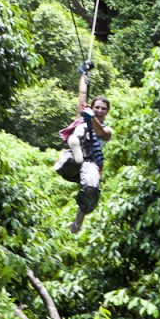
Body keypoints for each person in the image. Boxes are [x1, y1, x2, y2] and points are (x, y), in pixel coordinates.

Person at [54, 76, 112, 233]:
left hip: (90, 163)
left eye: (103, 108)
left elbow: (99, 131)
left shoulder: (106, 131)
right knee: (72, 148)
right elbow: (82, 94)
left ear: (107, 112)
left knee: (91, 190)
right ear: (92, 108)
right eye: (97, 107)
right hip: (74, 159)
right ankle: (74, 151)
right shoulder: (82, 118)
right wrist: (83, 74)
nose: (99, 111)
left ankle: (76, 225)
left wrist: (91, 117)